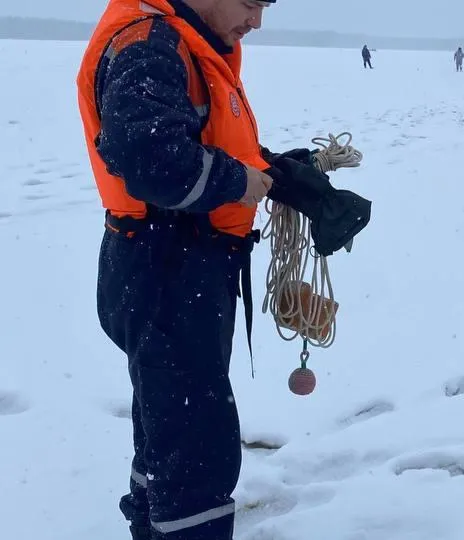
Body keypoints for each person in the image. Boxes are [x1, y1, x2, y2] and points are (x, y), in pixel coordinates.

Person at [76, 1, 370, 539]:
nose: (257, 21)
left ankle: (152, 523)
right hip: (167, 267)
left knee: (169, 426)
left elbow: (204, 140)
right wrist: (236, 182)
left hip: (177, 268)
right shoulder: (150, 45)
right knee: (195, 448)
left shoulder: (184, 41)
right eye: (250, 3)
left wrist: (283, 173)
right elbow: (147, 158)